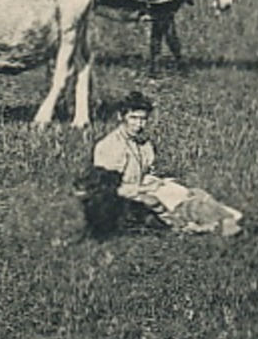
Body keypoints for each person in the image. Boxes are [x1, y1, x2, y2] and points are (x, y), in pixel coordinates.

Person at [89, 91, 244, 237]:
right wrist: (145, 189)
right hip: (123, 199)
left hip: (142, 187)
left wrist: (160, 182)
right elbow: (107, 189)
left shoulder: (142, 143)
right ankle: (214, 224)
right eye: (133, 118)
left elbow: (145, 172)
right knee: (172, 202)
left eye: (143, 119)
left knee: (193, 193)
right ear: (121, 117)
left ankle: (226, 219)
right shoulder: (109, 146)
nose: (139, 124)